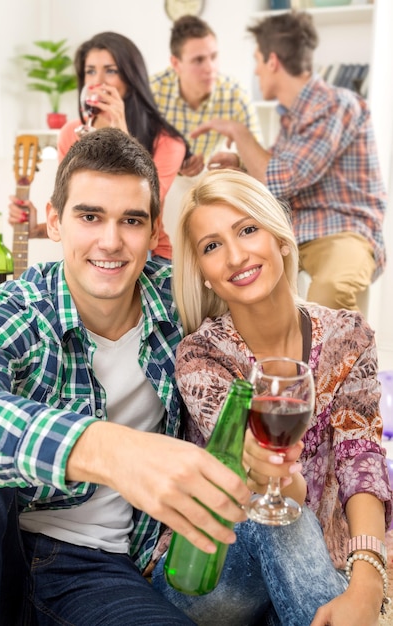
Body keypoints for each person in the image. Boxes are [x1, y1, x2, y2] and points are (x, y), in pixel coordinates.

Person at [0, 129, 251, 625]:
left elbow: (276, 314)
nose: (111, 240)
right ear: (55, 222)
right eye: (89, 216)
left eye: (131, 220)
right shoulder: (19, 310)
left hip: (102, 564)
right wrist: (109, 451)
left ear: (153, 230)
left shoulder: (180, 297)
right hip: (9, 540)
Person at [152, 168, 392, 625]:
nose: (236, 255)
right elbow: (269, 485)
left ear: (280, 237)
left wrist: (367, 582)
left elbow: (362, 460)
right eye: (212, 246)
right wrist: (278, 479)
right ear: (202, 273)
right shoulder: (202, 356)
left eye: (247, 230)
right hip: (209, 574)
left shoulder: (349, 337)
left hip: (310, 565)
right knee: (276, 511)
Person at [190, 11, 387, 312]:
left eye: (257, 61)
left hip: (343, 230)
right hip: (293, 231)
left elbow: (281, 178)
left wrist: (239, 132)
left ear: (272, 61)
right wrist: (240, 164)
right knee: (236, 282)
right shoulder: (293, 118)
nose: (256, 71)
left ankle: (341, 358)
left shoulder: (336, 105)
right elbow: (278, 173)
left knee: (330, 291)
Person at [9, 31, 190, 264]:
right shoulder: (70, 134)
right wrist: (36, 229)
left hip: (150, 255)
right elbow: (82, 215)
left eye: (111, 70)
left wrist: (122, 135)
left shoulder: (167, 141)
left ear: (131, 78)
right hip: (94, 253)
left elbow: (139, 206)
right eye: (90, 71)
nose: (98, 81)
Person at [150, 14, 263, 177]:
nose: (210, 68)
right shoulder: (153, 90)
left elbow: (259, 156)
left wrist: (237, 160)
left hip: (208, 179)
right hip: (161, 178)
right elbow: (135, 150)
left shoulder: (235, 94)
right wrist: (170, 161)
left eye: (214, 57)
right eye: (198, 60)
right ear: (176, 64)